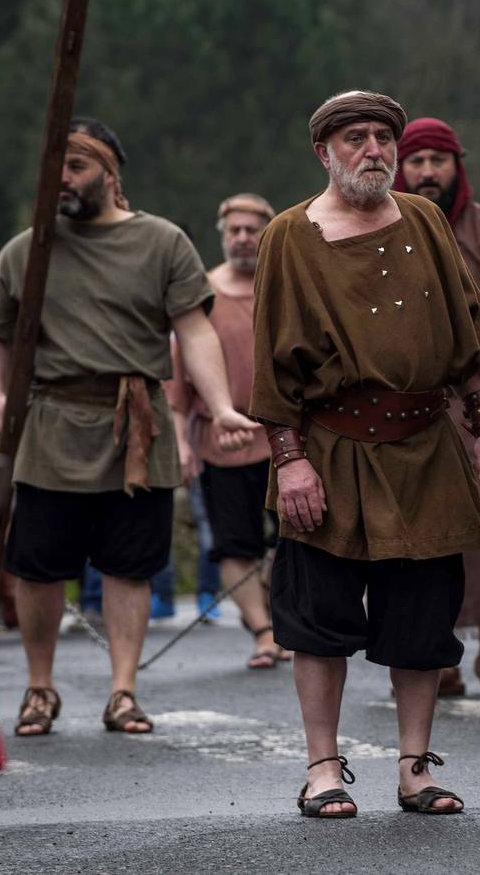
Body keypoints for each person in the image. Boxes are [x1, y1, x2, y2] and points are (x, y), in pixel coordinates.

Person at [249, 90, 480, 818]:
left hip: (425, 447)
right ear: (323, 151)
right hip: (328, 449)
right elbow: (272, 365)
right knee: (318, 617)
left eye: (382, 138)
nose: (374, 150)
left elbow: (466, 334)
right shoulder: (287, 236)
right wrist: (288, 457)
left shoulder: (424, 220)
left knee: (421, 622)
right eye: (356, 138)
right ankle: (323, 768)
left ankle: (414, 768)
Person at [0, 117, 257, 738]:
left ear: (110, 172)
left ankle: (123, 691)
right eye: (55, 168)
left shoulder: (161, 243)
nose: (63, 180)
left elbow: (194, 330)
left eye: (75, 166)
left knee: (130, 565)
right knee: (42, 566)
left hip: (137, 425)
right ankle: (40, 688)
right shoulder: (28, 249)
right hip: (49, 426)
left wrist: (222, 404)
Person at [393, 117, 480, 696]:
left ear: (456, 165)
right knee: (418, 535)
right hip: (406, 409)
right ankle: (433, 653)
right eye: (416, 161)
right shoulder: (383, 226)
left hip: (476, 407)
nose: (426, 172)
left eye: (437, 160)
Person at [169, 192, 282, 667]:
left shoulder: (284, 288)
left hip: (284, 435)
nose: (241, 238)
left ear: (266, 233)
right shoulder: (202, 293)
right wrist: (181, 444)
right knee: (234, 541)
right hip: (221, 437)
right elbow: (177, 382)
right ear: (223, 236)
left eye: (251, 229)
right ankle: (263, 632)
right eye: (233, 230)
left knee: (295, 537)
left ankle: (277, 615)